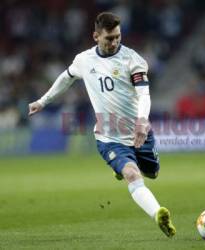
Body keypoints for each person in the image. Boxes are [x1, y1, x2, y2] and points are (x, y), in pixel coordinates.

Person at [28, 12, 176, 237]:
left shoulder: (133, 60)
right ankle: (158, 214)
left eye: (118, 36)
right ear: (96, 36)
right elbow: (66, 78)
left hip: (138, 131)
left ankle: (125, 167)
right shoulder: (84, 60)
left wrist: (142, 122)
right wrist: (42, 101)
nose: (115, 42)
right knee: (132, 175)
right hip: (108, 137)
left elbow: (144, 94)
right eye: (109, 38)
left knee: (152, 173)